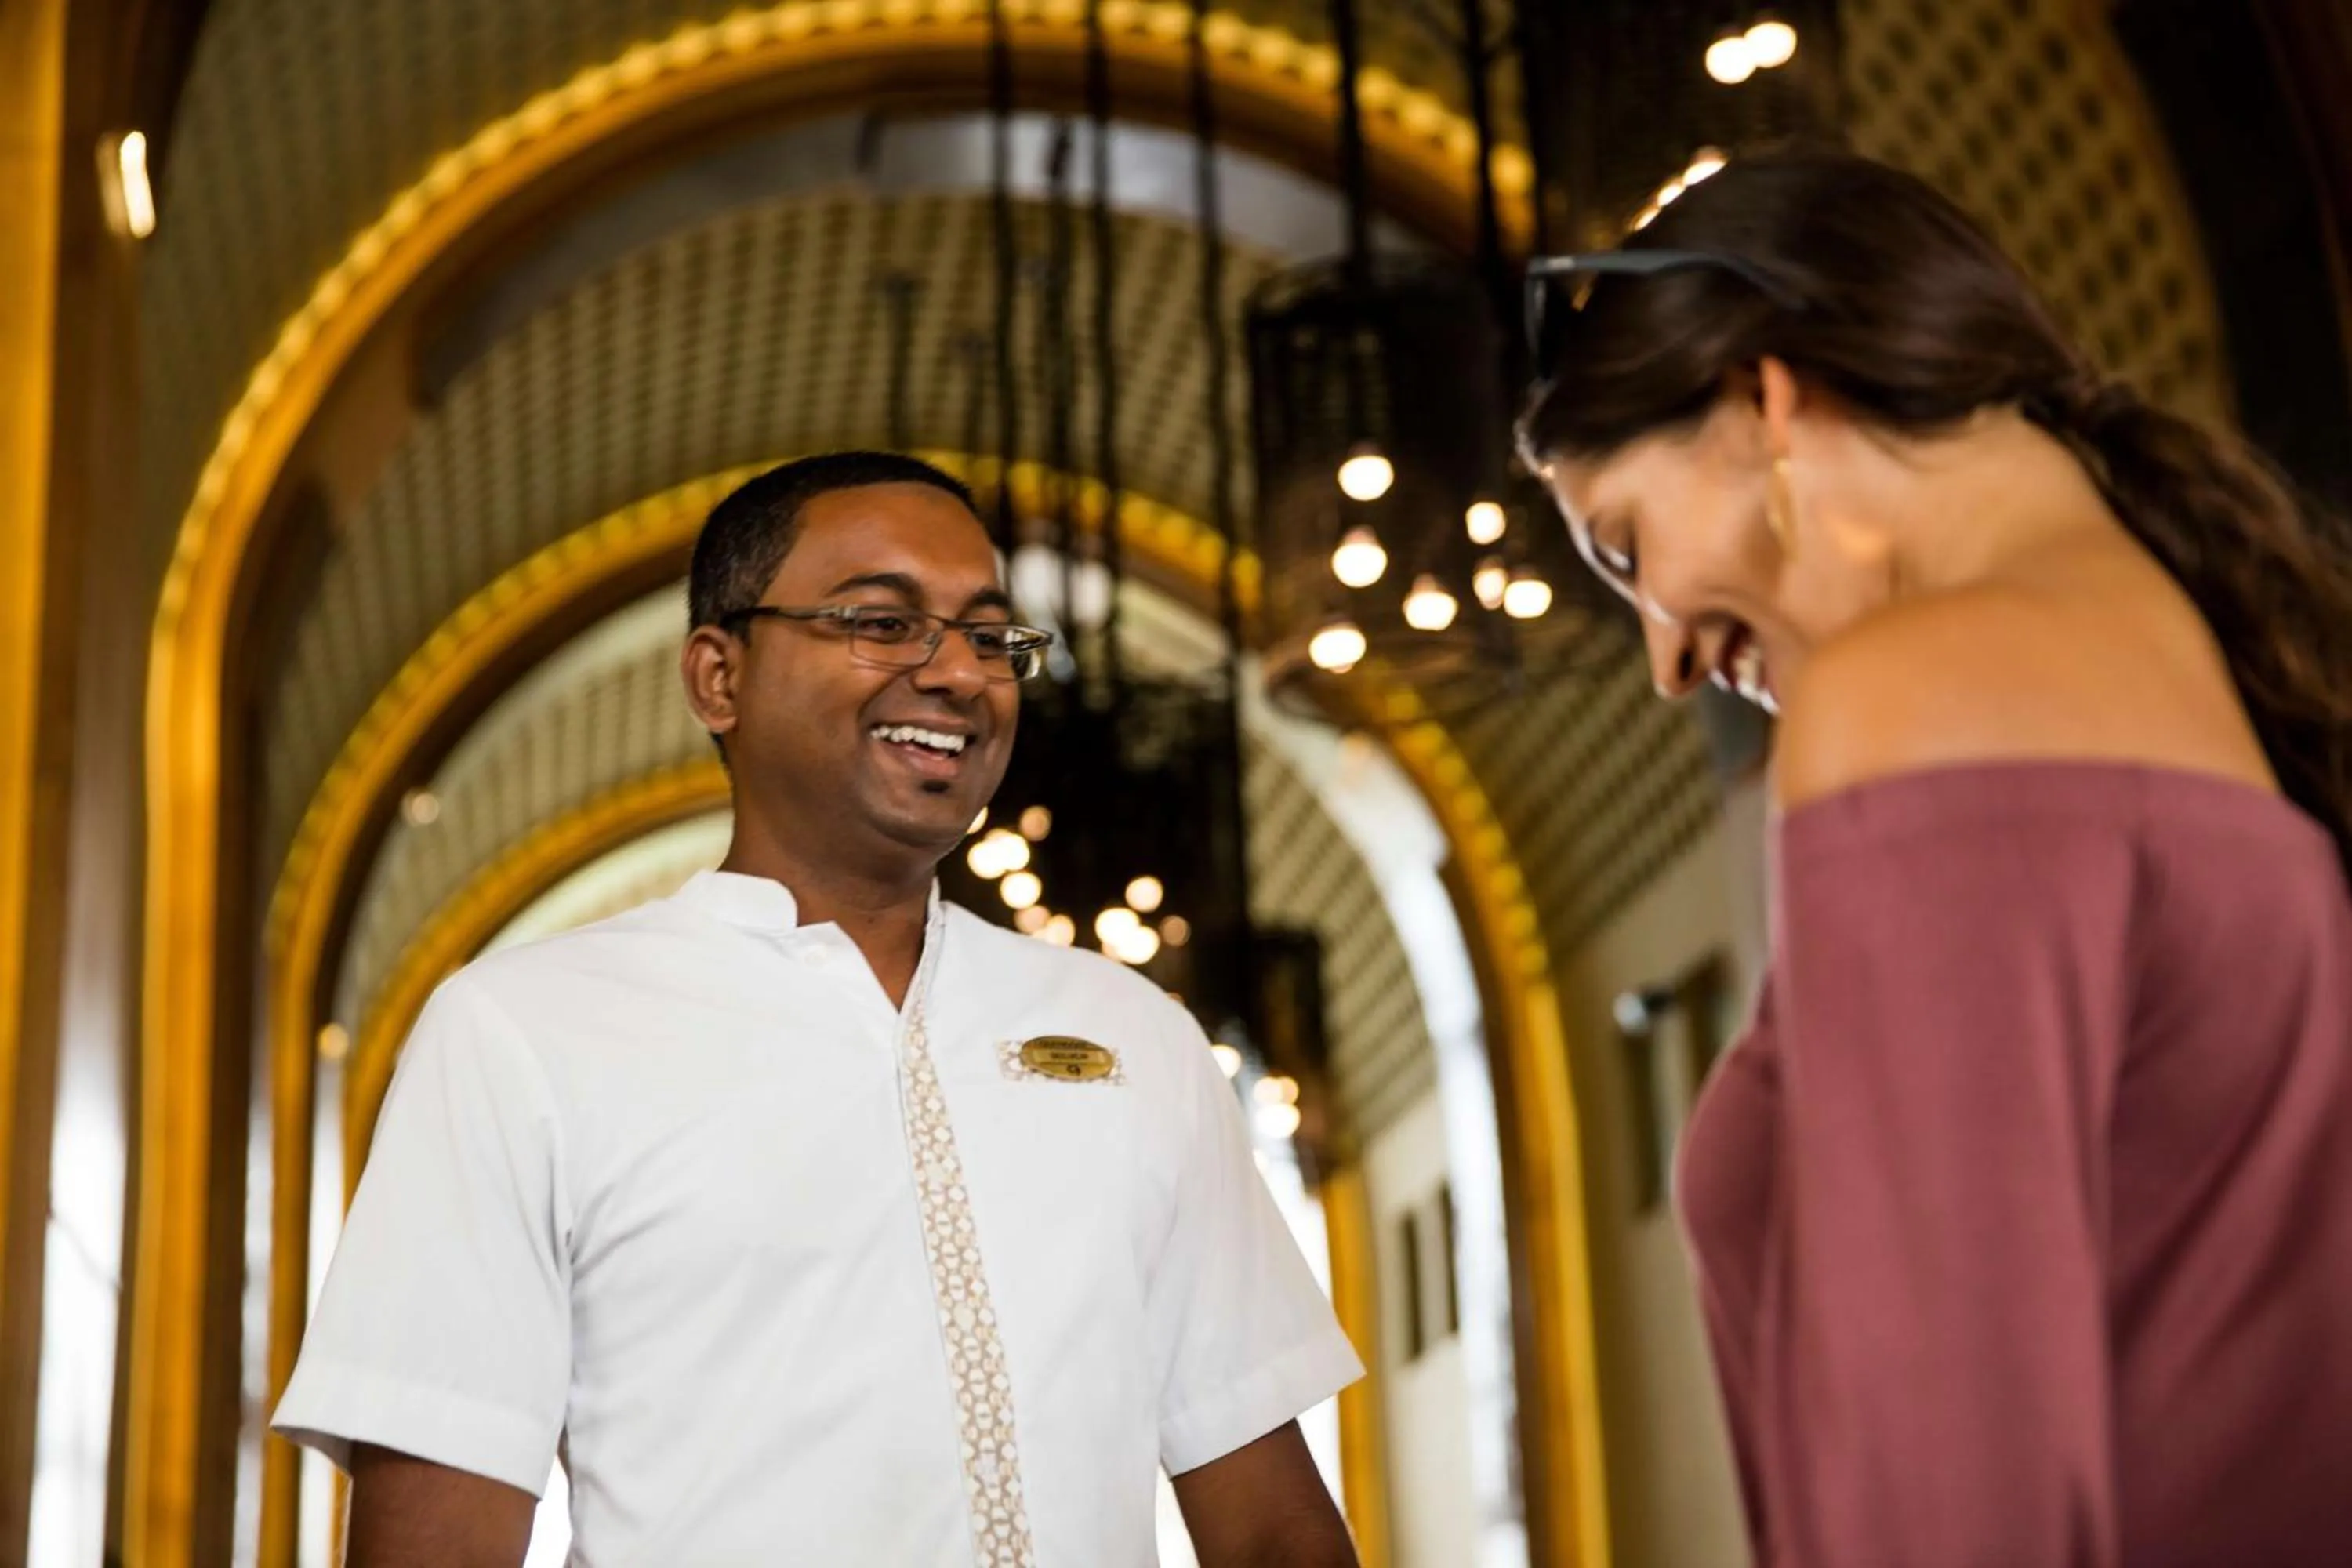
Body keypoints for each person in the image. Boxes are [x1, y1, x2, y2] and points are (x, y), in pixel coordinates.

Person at [274, 452, 1364, 1567]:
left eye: (990, 636)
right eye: (883, 624)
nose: (959, 674)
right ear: (719, 678)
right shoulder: (522, 1035)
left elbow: (1274, 1533)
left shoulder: (1134, 1035)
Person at [1518, 150, 2352, 1567]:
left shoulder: (1921, 698)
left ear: (1765, 400)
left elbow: (1951, 1496)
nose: (1664, 660)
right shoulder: (2199, 674)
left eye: (1627, 549)